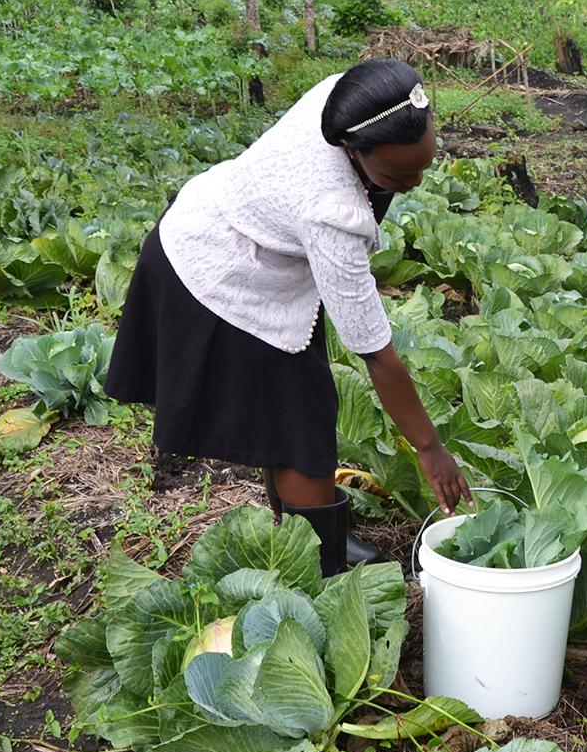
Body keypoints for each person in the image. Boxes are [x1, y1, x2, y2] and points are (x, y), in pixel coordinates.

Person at [106, 58, 471, 576]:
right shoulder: (331, 211)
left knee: (296, 408)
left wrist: (386, 179)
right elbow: (375, 351)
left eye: (422, 166)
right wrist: (430, 448)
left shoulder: (353, 100)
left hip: (247, 236)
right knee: (299, 427)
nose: (411, 182)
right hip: (218, 272)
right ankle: (316, 567)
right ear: (353, 148)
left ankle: (310, 539)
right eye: (396, 175)